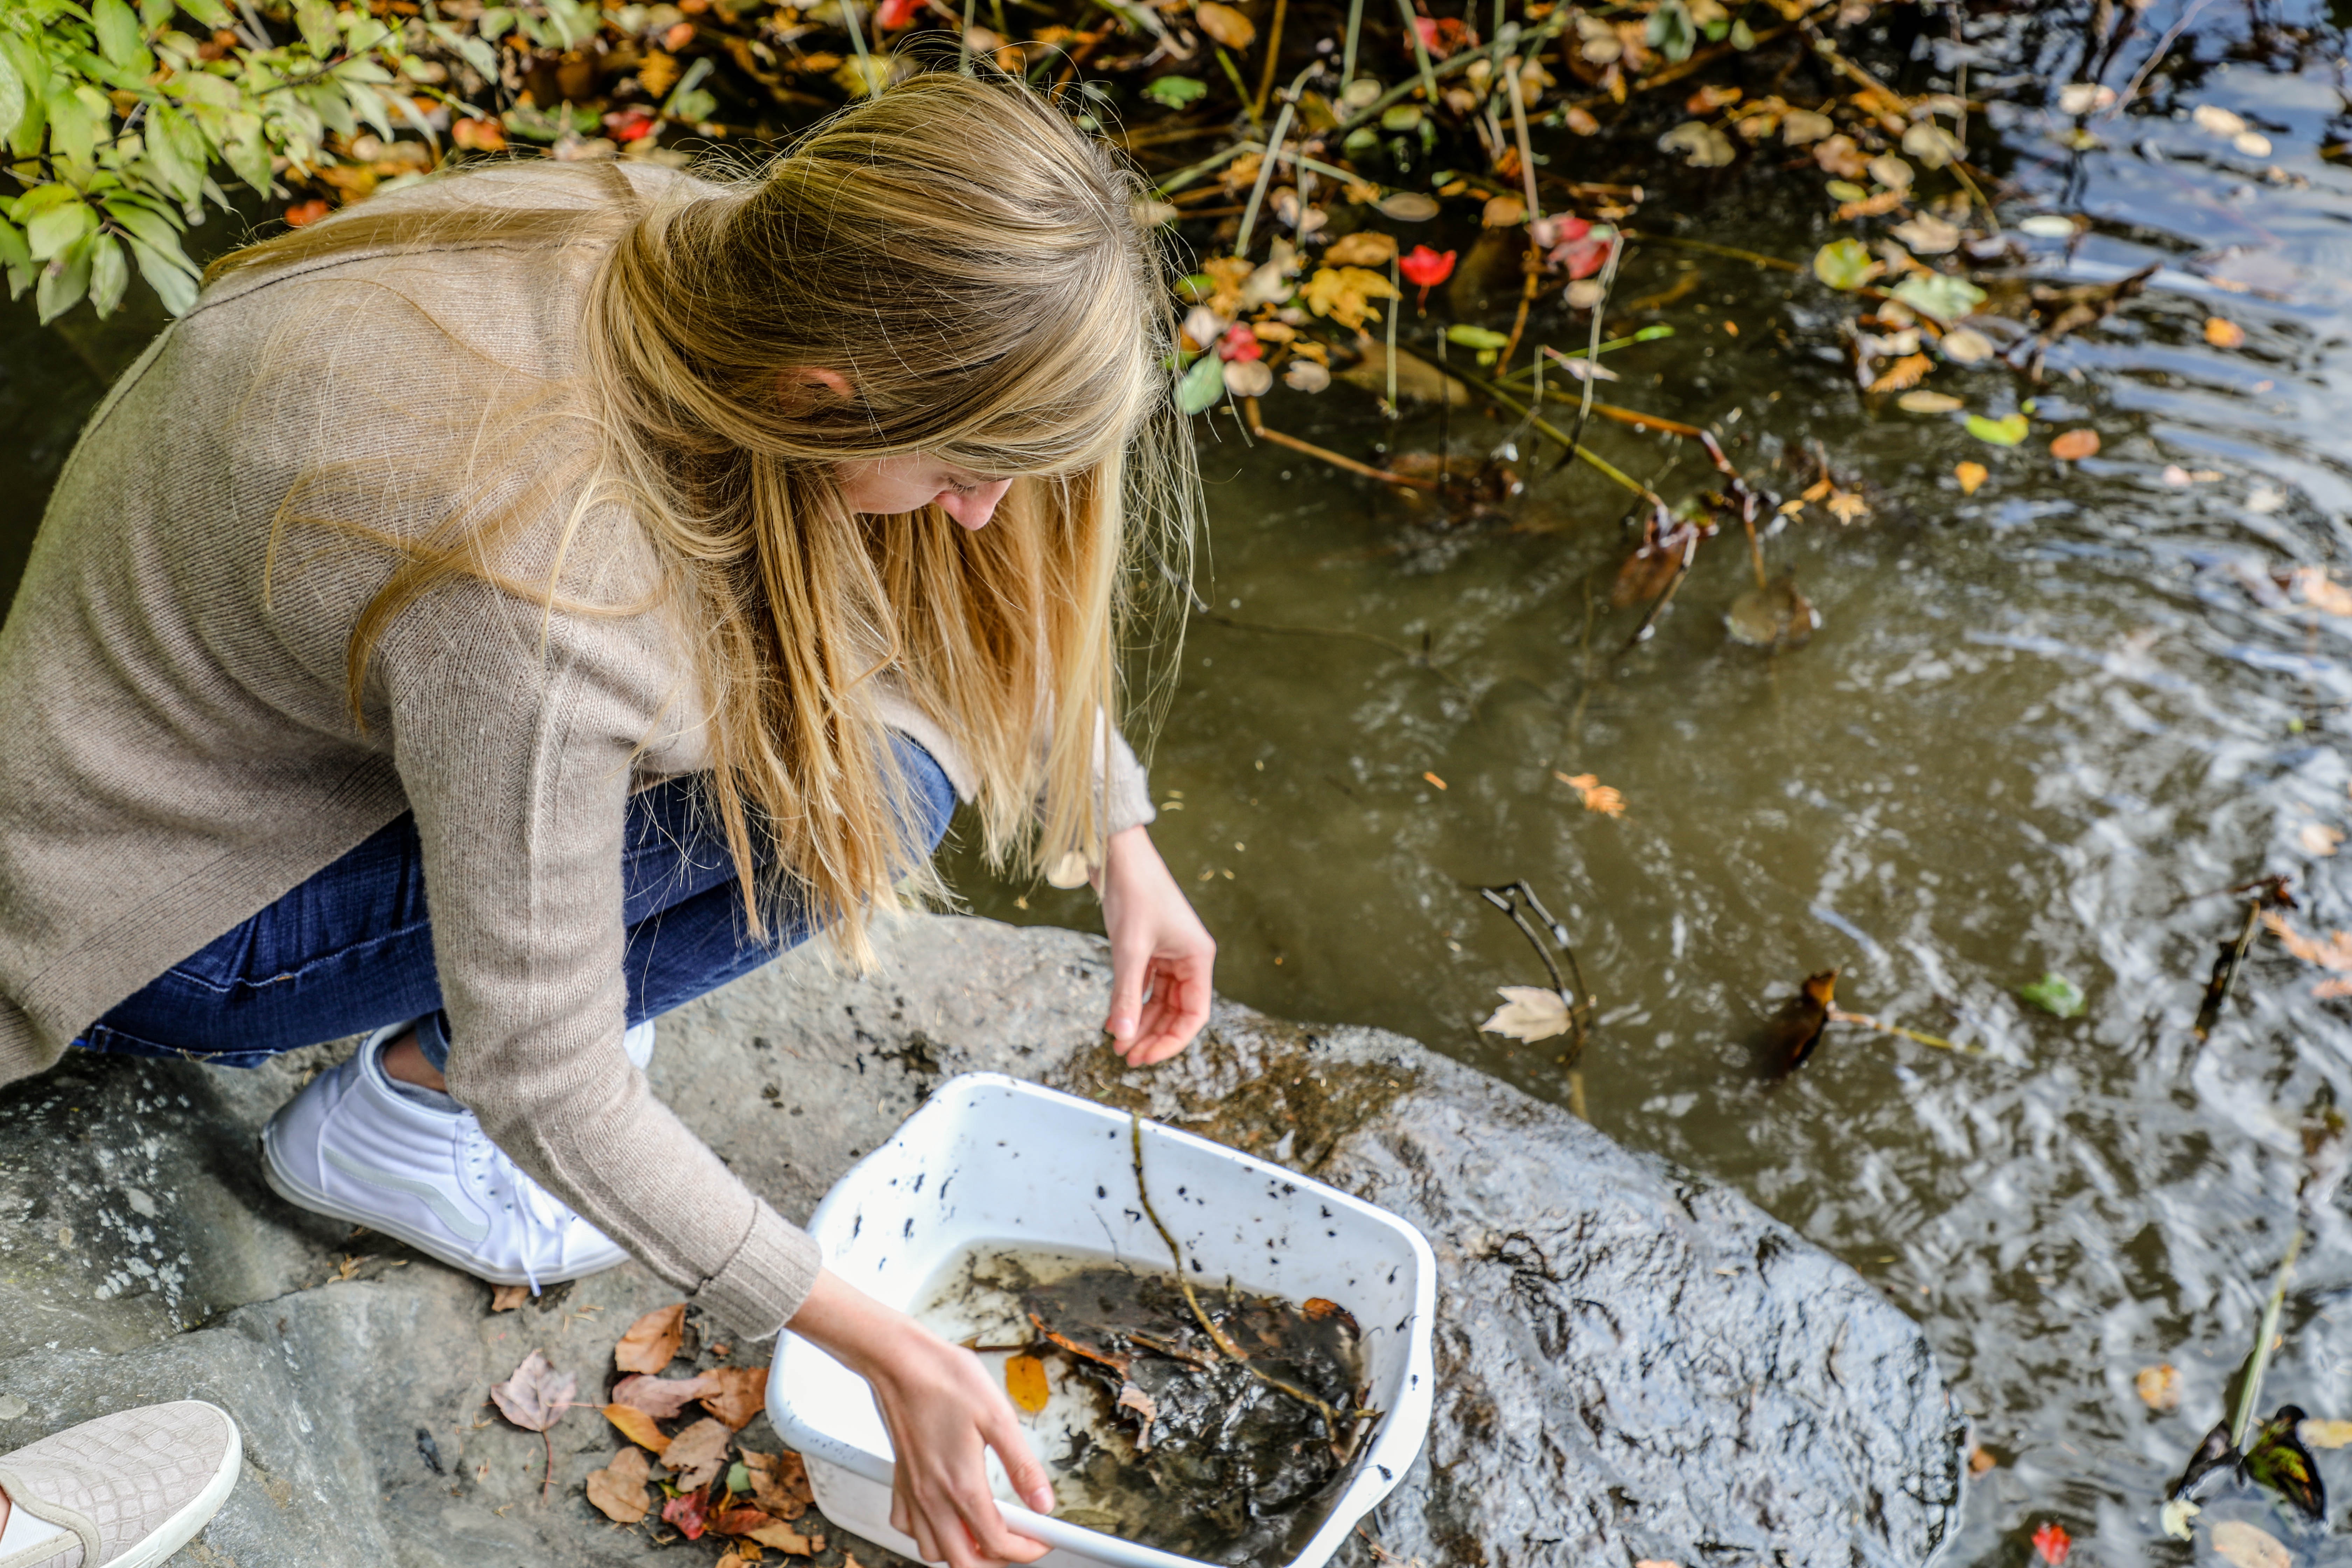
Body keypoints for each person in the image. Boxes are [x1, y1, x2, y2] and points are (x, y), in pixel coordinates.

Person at [0, 70, 1216, 1568]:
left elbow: (954, 582)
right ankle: (401, 1122)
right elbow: (556, 1079)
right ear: (828, 401)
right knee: (872, 791)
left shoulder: (704, 241)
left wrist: (1121, 833)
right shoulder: (537, 585)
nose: (978, 517)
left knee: (874, 728)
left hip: (193, 738)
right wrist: (885, 1347)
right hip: (149, 916)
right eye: (966, 471)